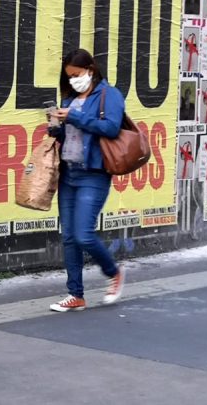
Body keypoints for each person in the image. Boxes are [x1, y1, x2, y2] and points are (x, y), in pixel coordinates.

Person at [47, 49, 126, 312]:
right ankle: (76, 294)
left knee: (83, 234)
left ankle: (114, 272)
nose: (72, 81)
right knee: (69, 237)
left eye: (76, 75)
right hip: (69, 173)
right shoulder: (69, 99)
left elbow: (112, 128)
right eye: (69, 77)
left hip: (94, 173)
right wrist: (56, 127)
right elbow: (68, 136)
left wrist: (75, 117)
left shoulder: (109, 95)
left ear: (90, 69)